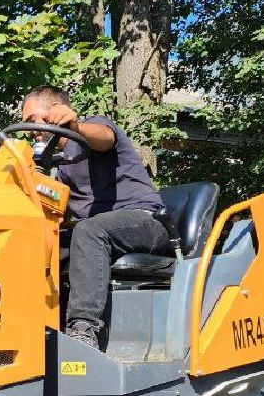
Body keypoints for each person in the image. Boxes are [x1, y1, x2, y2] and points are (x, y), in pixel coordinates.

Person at [20, 85, 171, 350]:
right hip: (97, 231)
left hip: (146, 221)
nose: (30, 129)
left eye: (33, 119)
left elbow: (105, 138)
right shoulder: (59, 162)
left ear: (56, 110)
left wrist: (75, 127)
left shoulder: (94, 128)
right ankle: (31, 326)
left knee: (89, 230)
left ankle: (83, 331)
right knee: (40, 243)